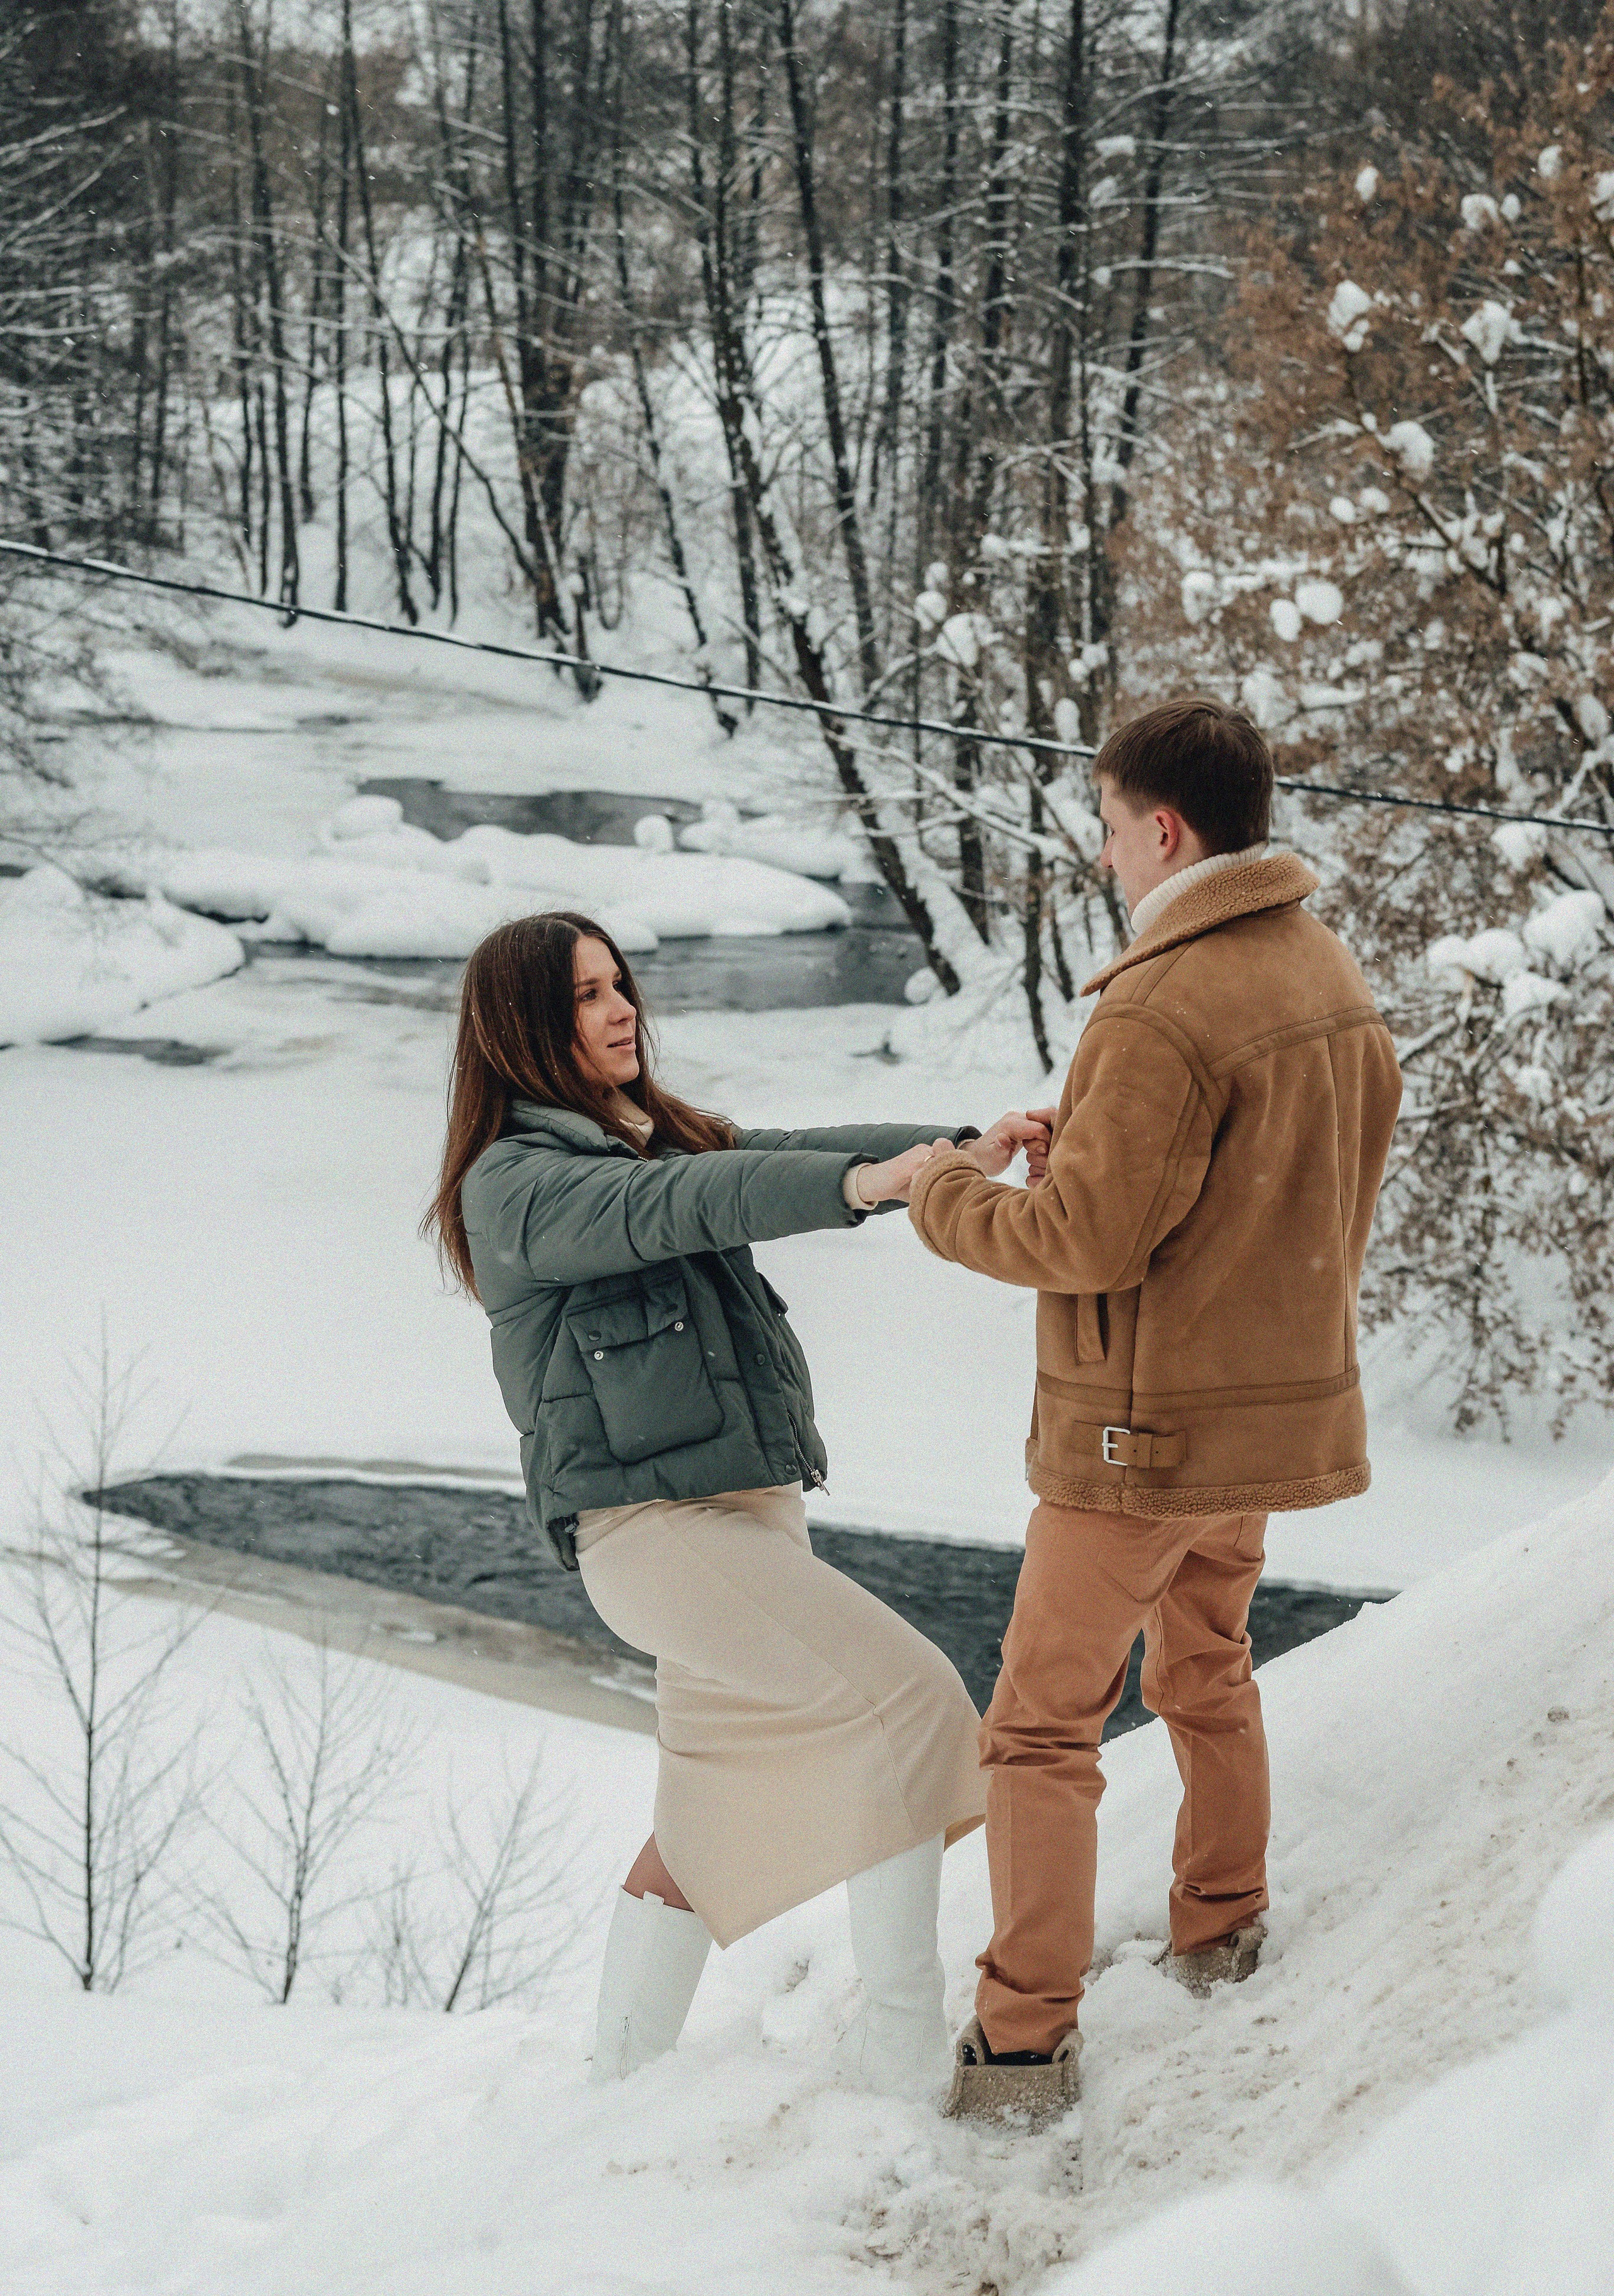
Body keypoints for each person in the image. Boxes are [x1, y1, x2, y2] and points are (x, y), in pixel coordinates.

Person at [425, 909, 1048, 2094]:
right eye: (582, 999)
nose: (619, 1011)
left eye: (619, 985)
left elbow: (758, 1152)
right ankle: (904, 2056)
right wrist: (872, 1185)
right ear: (518, 1032)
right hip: (656, 1538)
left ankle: (615, 2087)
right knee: (912, 1706)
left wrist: (959, 1147)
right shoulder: (518, 1185)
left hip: (742, 1516)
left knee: (705, 1819)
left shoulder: (644, 1139)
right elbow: (700, 1203)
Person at [906, 698, 1403, 2123]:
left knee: (1040, 1731)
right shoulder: (1325, 971)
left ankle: (1018, 2045)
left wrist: (947, 1184)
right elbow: (1273, 1195)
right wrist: (1107, 1163)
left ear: (1165, 828)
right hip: (1254, 1425)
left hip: (1139, 1440)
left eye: (1112, 830)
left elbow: (1078, 1246)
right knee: (1205, 1673)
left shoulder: (1158, 1002)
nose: (1107, 855)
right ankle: (1221, 1927)